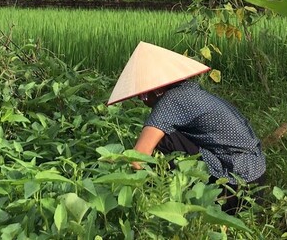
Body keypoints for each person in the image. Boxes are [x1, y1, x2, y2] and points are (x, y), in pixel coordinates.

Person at [107, 41, 266, 213]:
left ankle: (167, 202)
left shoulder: (169, 102)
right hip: (257, 179)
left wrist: (112, 168)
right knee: (169, 135)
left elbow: (138, 158)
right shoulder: (189, 91)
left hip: (236, 187)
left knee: (163, 141)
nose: (143, 101)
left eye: (142, 95)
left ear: (152, 91)